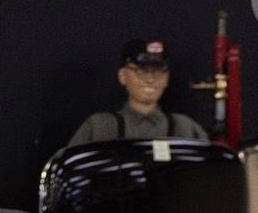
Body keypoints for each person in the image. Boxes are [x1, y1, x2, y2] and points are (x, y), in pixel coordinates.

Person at [68, 38, 210, 146]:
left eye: (159, 72)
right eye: (141, 71)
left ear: (167, 78)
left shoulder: (186, 129)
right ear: (123, 76)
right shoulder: (100, 128)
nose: (150, 79)